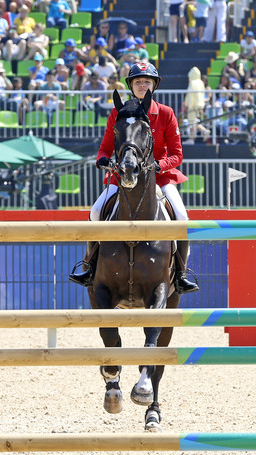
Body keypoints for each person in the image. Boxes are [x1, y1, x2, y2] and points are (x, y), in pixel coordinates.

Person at [69, 63, 199, 293]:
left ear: (154, 85)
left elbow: (177, 154)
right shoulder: (118, 113)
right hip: (122, 176)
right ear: (130, 85)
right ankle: (88, 266)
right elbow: (106, 146)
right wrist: (102, 159)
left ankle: (181, 273)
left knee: (181, 215)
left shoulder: (166, 113)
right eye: (138, 81)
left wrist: (159, 165)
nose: (142, 85)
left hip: (158, 177)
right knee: (97, 211)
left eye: (147, 81)